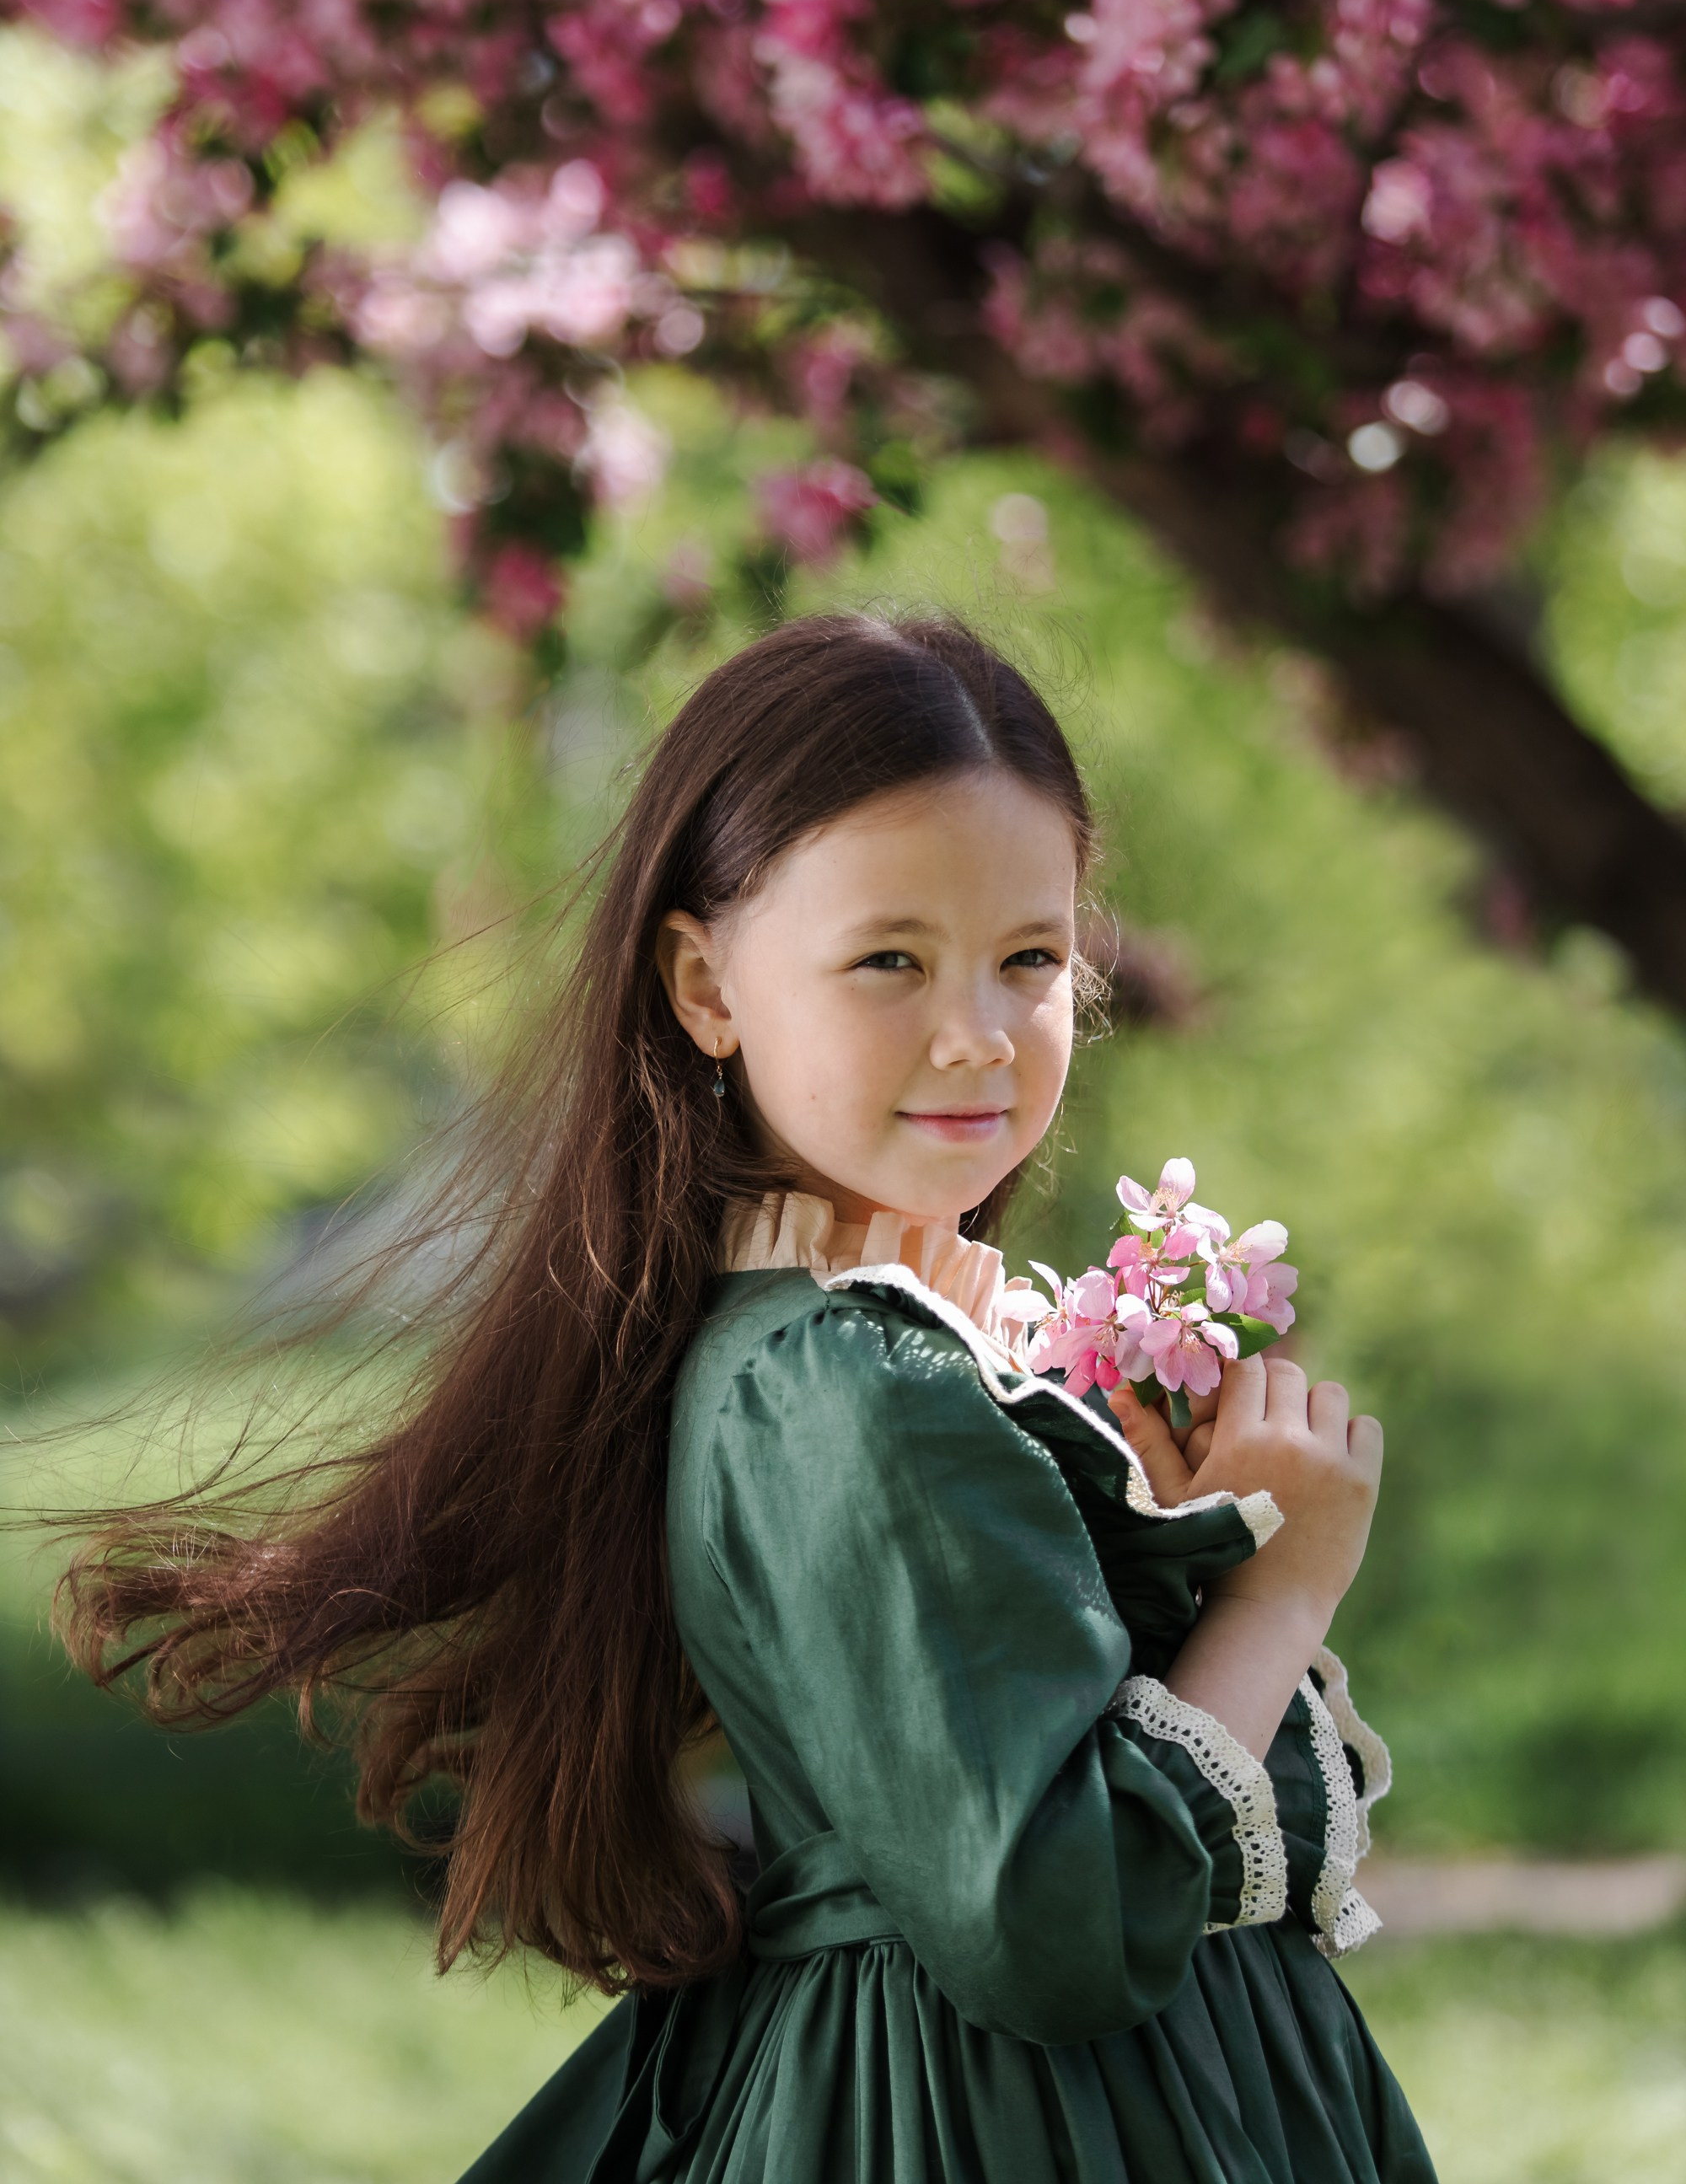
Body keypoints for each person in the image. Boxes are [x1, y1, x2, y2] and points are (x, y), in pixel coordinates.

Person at [59, 613, 1433, 2183]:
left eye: (1031, 958)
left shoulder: (849, 1343)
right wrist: (1285, 1577)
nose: (977, 1032)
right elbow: (1052, 1922)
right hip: (998, 2122)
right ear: (706, 984)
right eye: (889, 961)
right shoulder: (852, 1382)